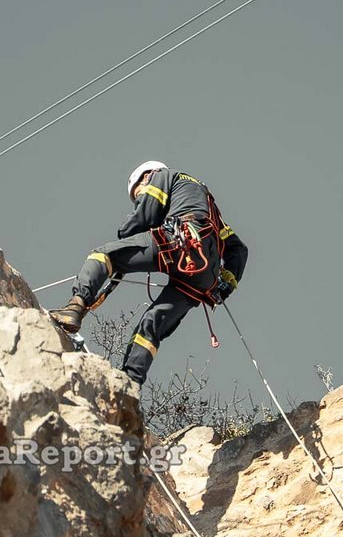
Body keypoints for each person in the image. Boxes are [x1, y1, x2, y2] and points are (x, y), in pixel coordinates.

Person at [48, 161, 248, 385]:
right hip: (204, 278)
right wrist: (226, 285)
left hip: (179, 243)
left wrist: (125, 238)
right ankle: (129, 384)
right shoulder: (210, 208)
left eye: (138, 195)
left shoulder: (164, 176)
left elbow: (146, 214)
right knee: (152, 324)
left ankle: (75, 307)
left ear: (147, 176)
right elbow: (238, 249)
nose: (139, 199)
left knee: (103, 255)